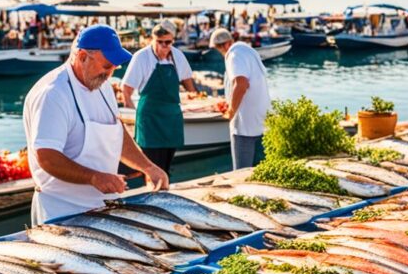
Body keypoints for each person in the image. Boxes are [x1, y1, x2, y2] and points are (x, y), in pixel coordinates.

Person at [23, 25, 169, 225]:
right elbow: (47, 158)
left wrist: (149, 167)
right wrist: (94, 178)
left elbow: (117, 134)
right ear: (82, 56)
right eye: (106, 66)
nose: (109, 74)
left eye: (113, 68)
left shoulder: (102, 85)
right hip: (61, 212)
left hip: (103, 208)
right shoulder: (53, 94)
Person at [120, 21, 197, 175]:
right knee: (151, 167)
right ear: (152, 40)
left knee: (166, 167)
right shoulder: (141, 57)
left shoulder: (178, 56)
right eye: (159, 42)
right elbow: (126, 89)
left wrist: (196, 100)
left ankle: (164, 192)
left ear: (172, 41)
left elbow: (189, 83)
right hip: (150, 121)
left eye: (167, 42)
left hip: (171, 121)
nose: (163, 46)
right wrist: (132, 113)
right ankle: (152, 193)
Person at [209, 28, 270, 170]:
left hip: (244, 125)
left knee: (241, 172)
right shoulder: (249, 52)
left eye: (219, 49)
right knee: (260, 173)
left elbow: (241, 84)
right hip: (261, 121)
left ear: (226, 45)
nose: (221, 53)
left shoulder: (234, 55)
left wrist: (230, 112)